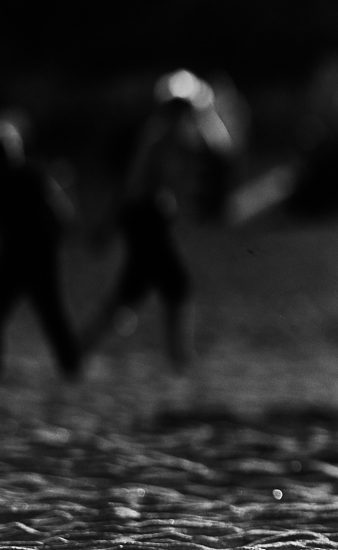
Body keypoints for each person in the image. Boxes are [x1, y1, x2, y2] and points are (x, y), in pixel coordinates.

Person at [85, 69, 233, 371]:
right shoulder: (168, 134)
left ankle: (81, 349)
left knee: (132, 291)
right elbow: (169, 176)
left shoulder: (159, 130)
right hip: (146, 217)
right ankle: (179, 357)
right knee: (176, 284)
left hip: (142, 217)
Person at [0, 115, 83, 381]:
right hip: (34, 252)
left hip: (19, 253)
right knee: (49, 312)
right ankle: (70, 368)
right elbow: (64, 216)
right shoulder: (30, 175)